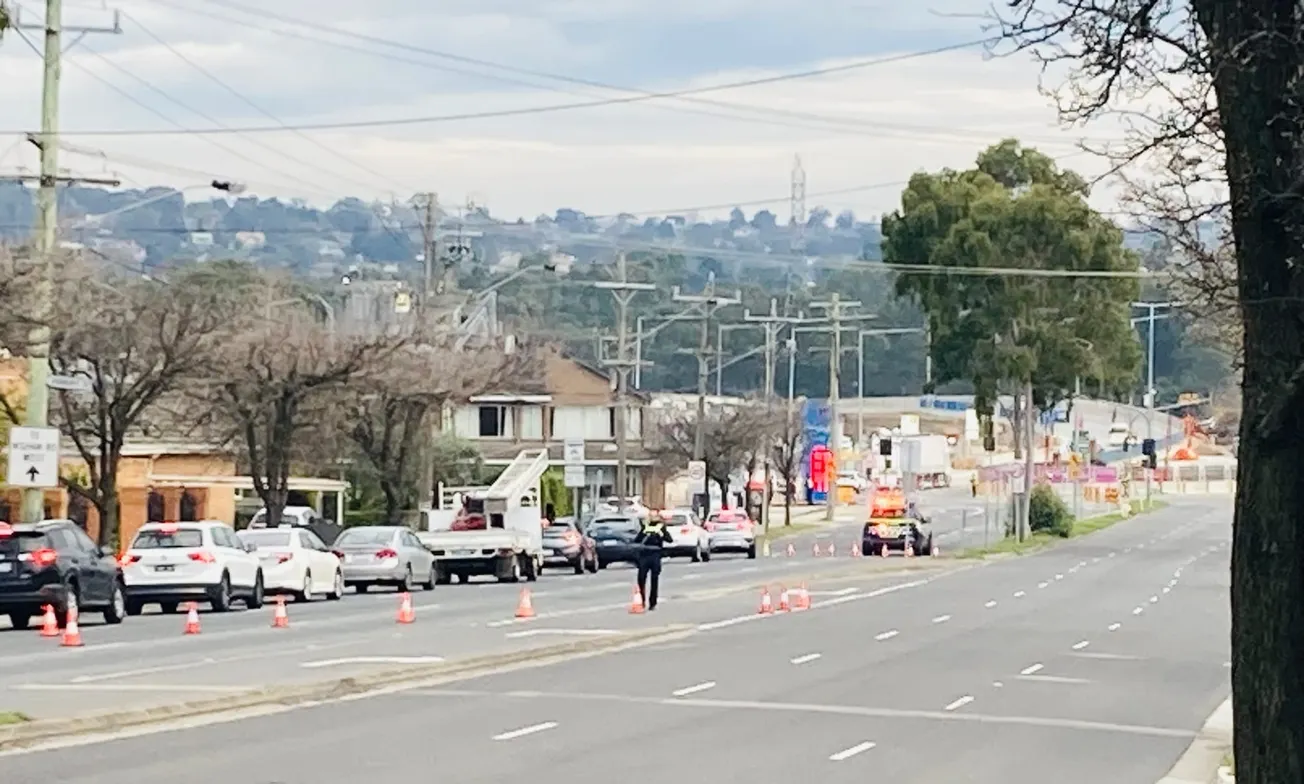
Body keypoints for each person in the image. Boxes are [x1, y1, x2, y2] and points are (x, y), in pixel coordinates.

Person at [633, 512, 674, 610]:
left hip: (644, 556)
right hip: (655, 556)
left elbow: (637, 540)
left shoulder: (645, 527)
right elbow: (669, 539)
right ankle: (652, 603)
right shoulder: (660, 528)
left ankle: (642, 601)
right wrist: (661, 536)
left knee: (641, 580)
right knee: (654, 580)